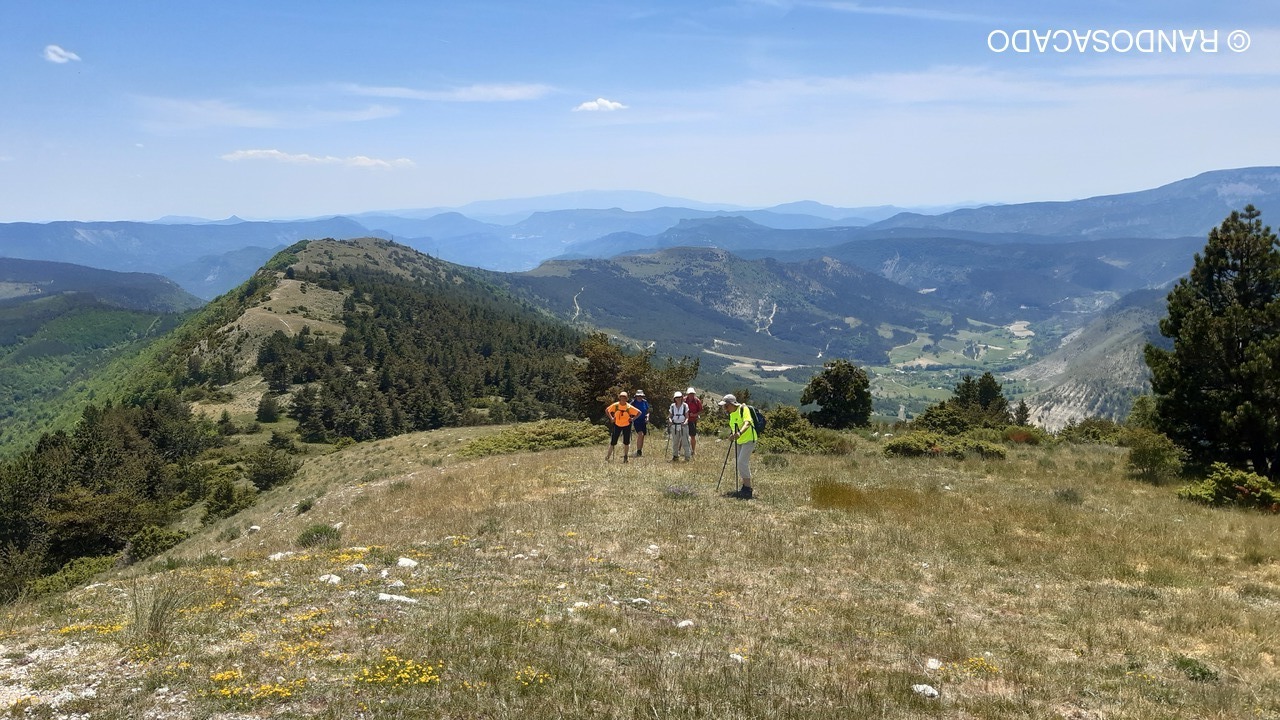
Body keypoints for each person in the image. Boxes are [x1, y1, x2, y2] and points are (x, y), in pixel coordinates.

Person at [719, 394, 756, 499]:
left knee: (741, 462)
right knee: (740, 463)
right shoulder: (731, 414)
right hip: (739, 441)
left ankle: (748, 489)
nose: (725, 408)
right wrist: (733, 435)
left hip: (749, 439)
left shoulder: (743, 409)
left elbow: (747, 423)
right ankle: (745, 487)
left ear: (732, 404)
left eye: (726, 406)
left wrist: (739, 433)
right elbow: (734, 427)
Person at [604, 391, 641, 463]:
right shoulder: (615, 405)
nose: (623, 399)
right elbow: (607, 410)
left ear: (626, 399)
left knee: (626, 442)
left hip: (627, 425)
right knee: (613, 442)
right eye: (621, 397)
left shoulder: (629, 407)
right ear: (619, 398)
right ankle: (607, 457)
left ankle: (625, 457)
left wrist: (633, 419)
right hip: (617, 425)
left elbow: (639, 412)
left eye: (624, 398)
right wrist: (611, 418)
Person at [668, 390, 691, 462]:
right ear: (674, 398)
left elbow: (687, 417)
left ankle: (687, 457)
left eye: (679, 397)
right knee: (675, 442)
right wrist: (670, 421)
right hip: (674, 426)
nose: (678, 399)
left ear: (681, 397)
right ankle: (675, 456)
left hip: (683, 426)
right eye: (676, 397)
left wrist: (685, 423)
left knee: (685, 442)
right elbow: (670, 416)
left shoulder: (685, 406)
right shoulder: (672, 406)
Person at [684, 387, 703, 458]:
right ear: (687, 394)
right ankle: (679, 450)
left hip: (692, 420)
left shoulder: (697, 401)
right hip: (684, 420)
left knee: (692, 436)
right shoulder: (684, 400)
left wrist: (694, 415)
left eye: (692, 394)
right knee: (682, 435)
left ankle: (693, 450)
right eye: (690, 394)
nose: (691, 395)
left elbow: (701, 411)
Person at [631, 390, 650, 457]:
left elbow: (647, 411)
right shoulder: (633, 402)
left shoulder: (645, 402)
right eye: (638, 396)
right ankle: (638, 451)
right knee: (640, 434)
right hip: (636, 421)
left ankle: (640, 451)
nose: (639, 397)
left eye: (641, 396)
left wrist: (647, 417)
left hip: (643, 421)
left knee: (642, 436)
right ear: (636, 396)